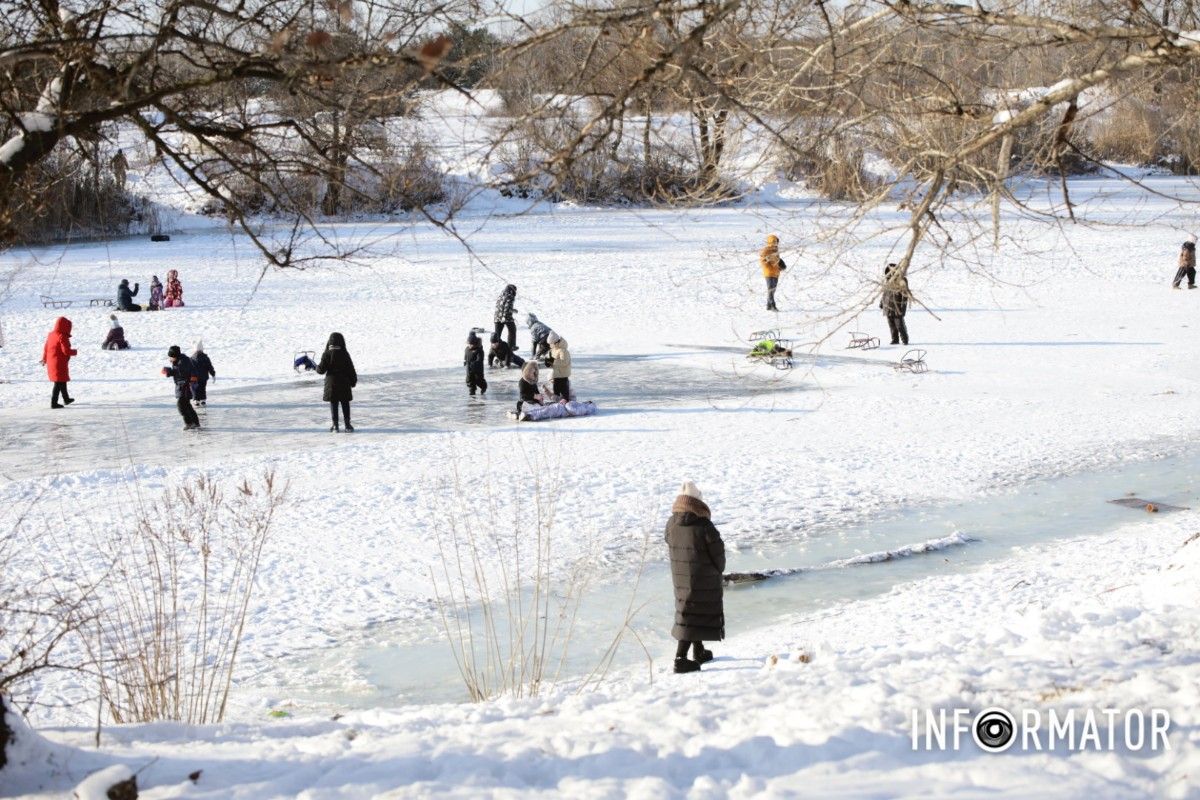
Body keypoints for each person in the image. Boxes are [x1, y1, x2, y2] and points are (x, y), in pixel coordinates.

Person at [665, 481, 725, 674]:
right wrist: (717, 570)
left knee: (689, 609)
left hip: (680, 577)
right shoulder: (704, 525)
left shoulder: (671, 523)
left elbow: (669, 541)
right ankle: (680, 659)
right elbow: (718, 554)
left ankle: (698, 650)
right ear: (696, 501)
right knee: (691, 614)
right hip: (703, 578)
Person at [316, 332, 357, 432]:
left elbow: (321, 370)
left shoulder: (326, 354)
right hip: (344, 382)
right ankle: (347, 425)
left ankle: (335, 426)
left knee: (334, 403)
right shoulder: (344, 353)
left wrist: (316, 367)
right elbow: (351, 369)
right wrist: (353, 381)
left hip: (331, 382)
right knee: (345, 403)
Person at [41, 316, 78, 409]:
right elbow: (65, 351)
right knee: (58, 383)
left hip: (52, 362)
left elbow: (46, 348)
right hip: (59, 363)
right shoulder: (62, 336)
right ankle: (54, 403)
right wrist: (74, 352)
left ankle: (66, 399)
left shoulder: (51, 335)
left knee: (62, 381)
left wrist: (44, 359)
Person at [162, 345, 201, 430]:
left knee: (181, 406)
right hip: (181, 387)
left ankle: (189, 423)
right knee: (187, 405)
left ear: (175, 356)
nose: (170, 359)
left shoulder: (183, 362)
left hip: (185, 387)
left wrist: (191, 381)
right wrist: (169, 372)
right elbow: (179, 373)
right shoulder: (178, 362)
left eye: (171, 357)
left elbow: (191, 372)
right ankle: (195, 423)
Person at [880, 262, 910, 346]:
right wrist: (882, 303)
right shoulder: (887, 281)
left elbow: (905, 296)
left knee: (899, 324)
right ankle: (895, 339)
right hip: (888, 306)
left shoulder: (902, 280)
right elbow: (884, 293)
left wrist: (902, 308)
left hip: (897, 307)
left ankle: (905, 339)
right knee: (892, 325)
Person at [759, 234, 787, 311]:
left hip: (775, 273)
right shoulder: (766, 250)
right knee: (770, 289)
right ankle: (773, 305)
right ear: (770, 242)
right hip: (769, 272)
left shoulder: (776, 251)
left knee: (773, 289)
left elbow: (776, 261)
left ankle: (768, 305)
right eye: (774, 241)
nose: (775, 243)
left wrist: (781, 266)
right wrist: (768, 265)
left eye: (776, 241)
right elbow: (762, 260)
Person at [544, 331, 571, 400]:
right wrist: (549, 362)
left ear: (555, 342)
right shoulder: (553, 350)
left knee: (564, 392)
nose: (549, 345)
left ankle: (566, 402)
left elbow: (564, 362)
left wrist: (552, 361)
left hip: (563, 375)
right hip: (556, 375)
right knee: (556, 392)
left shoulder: (563, 350)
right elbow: (553, 362)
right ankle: (557, 405)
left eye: (551, 344)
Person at [493, 284, 518, 359]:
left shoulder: (501, 295)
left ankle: (495, 350)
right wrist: (504, 317)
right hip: (506, 317)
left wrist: (512, 310)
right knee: (512, 330)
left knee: (497, 335)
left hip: (497, 317)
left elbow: (501, 306)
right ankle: (511, 347)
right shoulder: (510, 296)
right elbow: (507, 307)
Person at [191, 341, 216, 406]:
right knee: (202, 388)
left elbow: (189, 368)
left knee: (196, 388)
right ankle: (203, 400)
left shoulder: (192, 358)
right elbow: (210, 367)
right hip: (203, 377)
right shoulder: (205, 358)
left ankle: (197, 400)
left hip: (195, 377)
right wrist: (213, 374)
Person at [464, 331, 487, 396]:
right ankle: (472, 390)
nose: (470, 346)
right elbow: (466, 355)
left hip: (477, 369)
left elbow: (480, 359)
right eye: (469, 344)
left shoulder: (479, 350)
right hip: (469, 367)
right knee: (469, 379)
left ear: (475, 343)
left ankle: (483, 386)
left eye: (471, 344)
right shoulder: (467, 349)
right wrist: (465, 360)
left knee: (478, 380)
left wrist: (475, 363)